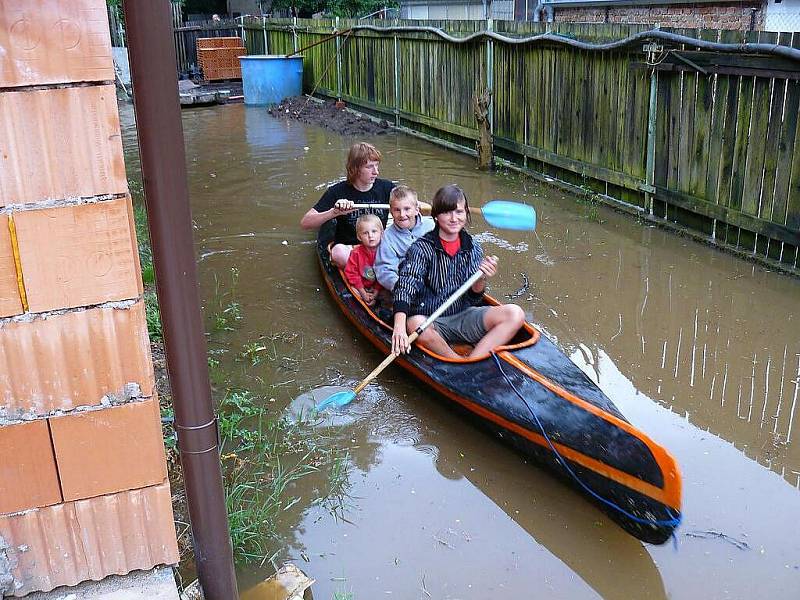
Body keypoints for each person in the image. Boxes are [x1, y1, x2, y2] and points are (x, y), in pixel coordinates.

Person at [392, 184, 525, 359]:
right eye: (447, 212)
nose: (454, 218)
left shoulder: (473, 248)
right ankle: (458, 362)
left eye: (459, 212)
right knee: (414, 323)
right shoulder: (421, 248)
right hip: (430, 320)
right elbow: (405, 287)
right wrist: (399, 328)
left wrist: (481, 277)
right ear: (437, 216)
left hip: (463, 315)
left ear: (466, 214)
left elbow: (474, 296)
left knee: (515, 313)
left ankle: (474, 359)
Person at [300, 142, 393, 268]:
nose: (376, 172)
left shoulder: (387, 188)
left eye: (377, 166)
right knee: (339, 253)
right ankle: (365, 272)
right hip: (350, 251)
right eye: (370, 167)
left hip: (378, 248)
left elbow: (409, 202)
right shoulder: (337, 192)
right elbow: (305, 223)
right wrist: (334, 212)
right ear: (355, 168)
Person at [374, 185, 435, 291]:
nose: (402, 215)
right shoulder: (387, 237)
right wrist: (403, 287)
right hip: (408, 286)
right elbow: (385, 271)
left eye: (407, 209)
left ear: (416, 210)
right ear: (391, 212)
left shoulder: (432, 226)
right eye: (397, 210)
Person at [344, 214, 384, 306]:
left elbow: (384, 272)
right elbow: (352, 274)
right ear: (359, 237)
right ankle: (365, 301)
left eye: (374, 231)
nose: (370, 236)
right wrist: (363, 292)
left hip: (378, 287)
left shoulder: (384, 251)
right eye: (365, 233)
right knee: (352, 291)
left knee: (389, 292)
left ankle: (380, 305)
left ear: (381, 233)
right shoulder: (356, 253)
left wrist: (376, 292)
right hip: (361, 286)